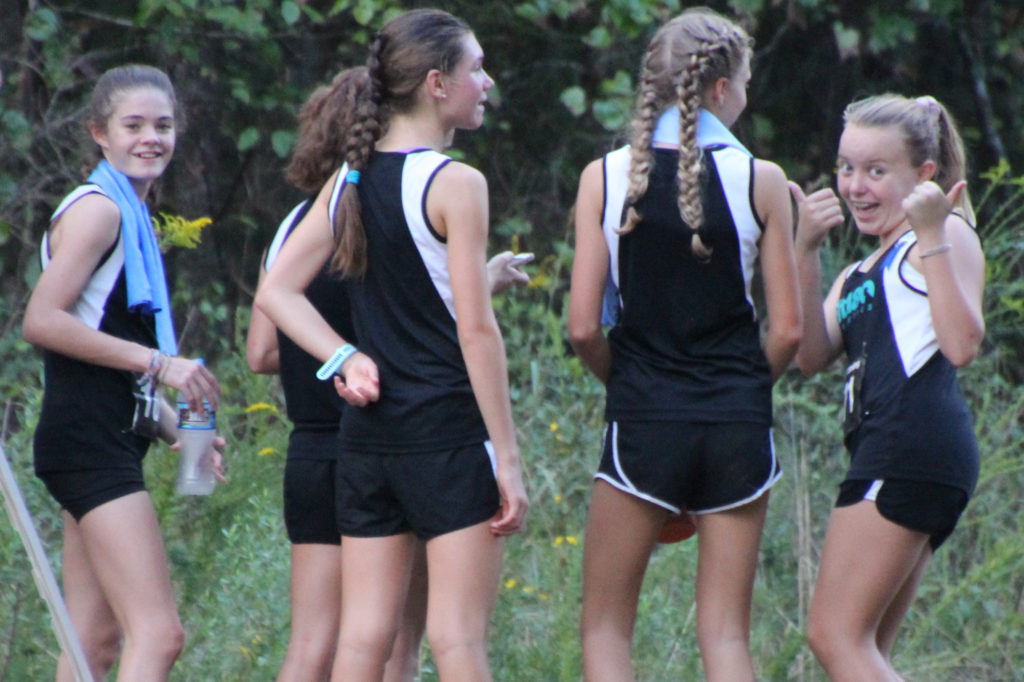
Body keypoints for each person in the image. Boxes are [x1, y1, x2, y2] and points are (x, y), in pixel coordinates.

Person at [253, 9, 529, 682]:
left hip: (366, 444)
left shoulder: (347, 181)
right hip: (446, 435)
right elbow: (475, 330)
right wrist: (508, 458)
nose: (488, 82)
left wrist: (343, 358)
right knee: (456, 639)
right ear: (436, 84)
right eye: (477, 69)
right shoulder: (455, 183)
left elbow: (277, 292)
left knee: (361, 641)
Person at [567, 8, 802, 681]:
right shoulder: (761, 179)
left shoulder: (604, 177)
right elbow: (788, 331)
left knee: (606, 632)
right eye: (747, 82)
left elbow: (582, 328)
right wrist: (738, 392)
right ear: (721, 89)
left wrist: (631, 386)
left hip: (644, 417)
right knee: (726, 638)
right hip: (736, 424)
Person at [22, 64, 224, 682]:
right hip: (89, 443)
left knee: (94, 641)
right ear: (99, 133)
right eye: (132, 125)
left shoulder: (131, 216)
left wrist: (174, 425)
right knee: (159, 635)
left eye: (163, 126)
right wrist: (160, 362)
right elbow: (43, 321)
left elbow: (108, 364)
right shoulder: (101, 212)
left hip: (101, 434)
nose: (150, 138)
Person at [791, 93, 984, 682]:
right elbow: (809, 355)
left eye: (876, 171)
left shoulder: (944, 234)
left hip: (908, 445)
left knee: (834, 635)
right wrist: (804, 250)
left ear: (924, 175)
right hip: (893, 450)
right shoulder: (859, 273)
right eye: (846, 168)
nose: (855, 186)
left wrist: (931, 233)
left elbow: (962, 344)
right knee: (864, 647)